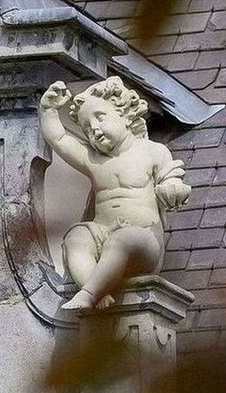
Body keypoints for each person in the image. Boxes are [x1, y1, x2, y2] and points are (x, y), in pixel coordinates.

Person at [39, 77, 190, 311]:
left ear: (125, 114)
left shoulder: (151, 152)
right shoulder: (94, 160)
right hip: (103, 234)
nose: (95, 130)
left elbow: (171, 179)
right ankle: (94, 286)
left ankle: (89, 293)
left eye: (100, 118)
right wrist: (48, 109)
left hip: (143, 240)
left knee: (123, 239)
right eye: (87, 128)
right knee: (75, 238)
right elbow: (59, 139)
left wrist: (173, 189)